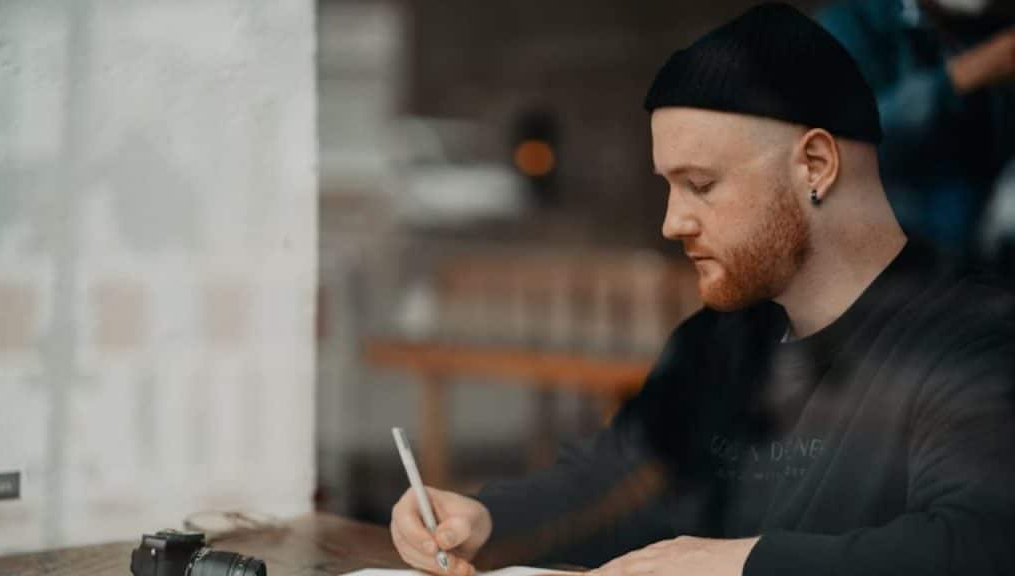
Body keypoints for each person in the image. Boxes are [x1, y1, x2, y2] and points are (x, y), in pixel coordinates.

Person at [389, 4, 1015, 575]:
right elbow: (616, 475)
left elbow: (980, 546)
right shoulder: (719, 340)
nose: (671, 223)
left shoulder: (975, 339)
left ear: (816, 166)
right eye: (669, 186)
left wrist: (741, 563)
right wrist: (486, 519)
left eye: (701, 185)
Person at [817, 0, 1015, 258]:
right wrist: (960, 78)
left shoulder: (990, 24)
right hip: (903, 243)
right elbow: (848, 145)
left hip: (981, 230)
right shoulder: (851, 24)